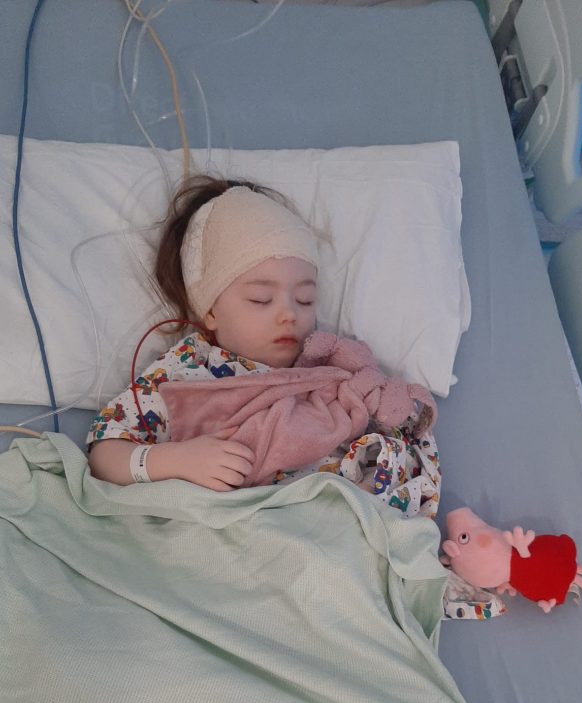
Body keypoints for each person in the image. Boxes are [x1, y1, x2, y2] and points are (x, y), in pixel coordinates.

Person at [87, 175, 441, 518]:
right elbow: (104, 452)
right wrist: (176, 460)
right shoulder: (187, 371)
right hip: (231, 527)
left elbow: (405, 452)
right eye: (261, 299)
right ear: (210, 310)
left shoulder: (330, 373)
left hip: (321, 526)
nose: (289, 314)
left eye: (304, 299)